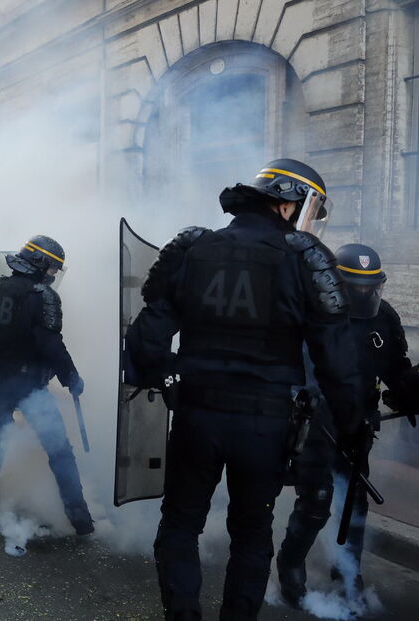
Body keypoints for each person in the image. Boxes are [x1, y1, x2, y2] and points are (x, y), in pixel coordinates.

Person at [124, 159, 364, 621]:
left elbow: (144, 339)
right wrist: (350, 424)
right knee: (252, 534)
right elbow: (337, 357)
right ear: (290, 202)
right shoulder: (305, 257)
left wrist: (174, 375)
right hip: (266, 424)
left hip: (196, 414)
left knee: (180, 523)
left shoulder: (194, 247)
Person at [277, 243, 419, 607]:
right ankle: (291, 564)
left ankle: (348, 568)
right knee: (317, 501)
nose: (363, 294)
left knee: (355, 501)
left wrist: (411, 388)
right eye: (355, 286)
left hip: (359, 426)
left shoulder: (383, 317)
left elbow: (396, 368)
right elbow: (291, 371)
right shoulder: (314, 314)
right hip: (316, 424)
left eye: (369, 287)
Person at [0, 235, 93, 535]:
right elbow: (50, 344)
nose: (53, 275)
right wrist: (72, 378)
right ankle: (81, 519)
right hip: (30, 385)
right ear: (40, 264)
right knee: (59, 449)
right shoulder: (42, 296)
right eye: (52, 269)